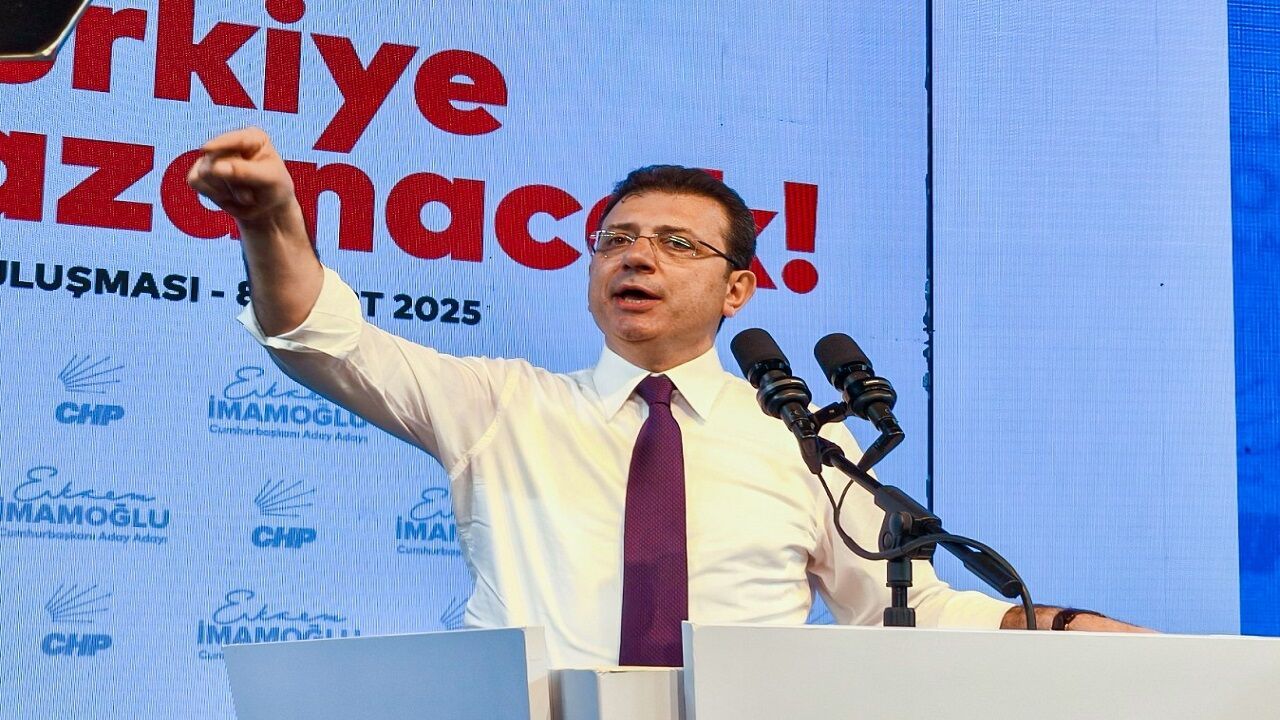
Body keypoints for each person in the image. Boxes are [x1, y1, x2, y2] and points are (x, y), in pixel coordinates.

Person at [188, 128, 1148, 668]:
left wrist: (1064, 628)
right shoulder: (501, 405)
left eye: (677, 244)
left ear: (738, 291)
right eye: (616, 239)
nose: (637, 256)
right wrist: (271, 223)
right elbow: (322, 341)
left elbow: (901, 608)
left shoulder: (802, 440)